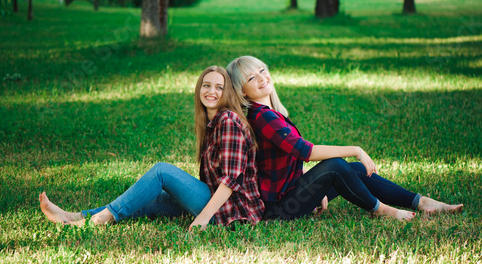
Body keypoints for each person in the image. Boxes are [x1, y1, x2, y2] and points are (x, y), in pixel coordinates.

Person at [227, 56, 463, 221]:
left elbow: (289, 165)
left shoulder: (272, 113)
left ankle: (422, 202)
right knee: (337, 165)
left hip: (292, 195)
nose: (261, 77)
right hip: (279, 208)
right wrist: (355, 148)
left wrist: (314, 191)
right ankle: (380, 209)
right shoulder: (261, 118)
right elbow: (304, 151)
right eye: (250, 78)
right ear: (242, 91)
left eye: (262, 70)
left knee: (357, 170)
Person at [39, 66, 264, 230]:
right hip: (215, 201)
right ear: (199, 89)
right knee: (147, 198)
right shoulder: (211, 122)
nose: (211, 91)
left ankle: (97, 220)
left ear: (227, 92)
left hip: (231, 211)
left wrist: (202, 219)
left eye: (219, 87)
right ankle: (75, 217)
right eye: (206, 85)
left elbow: (230, 181)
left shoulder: (228, 121)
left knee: (161, 171)